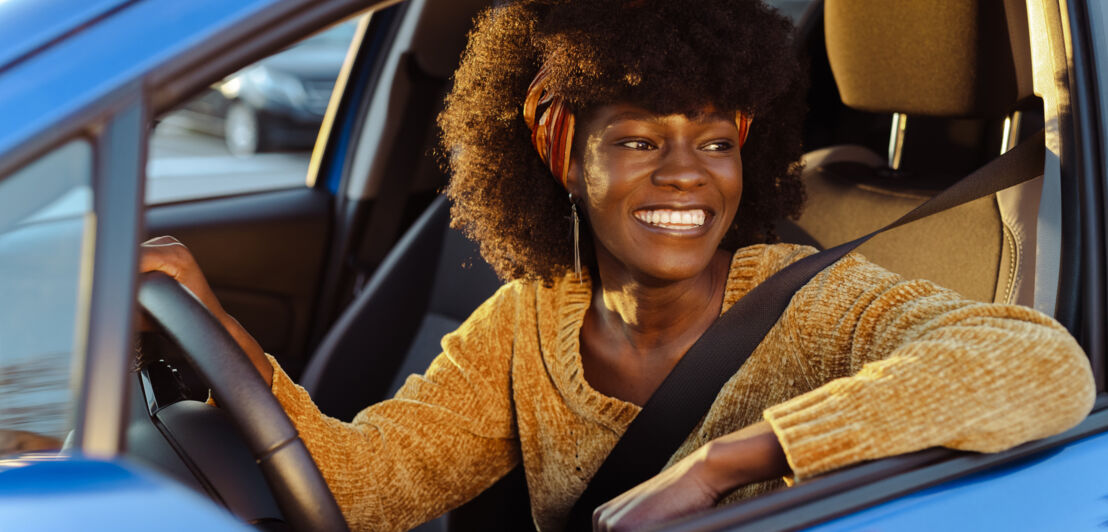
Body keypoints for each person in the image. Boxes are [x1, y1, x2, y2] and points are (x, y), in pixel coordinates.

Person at [140, 0, 1096, 530]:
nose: (685, 176)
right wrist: (210, 326)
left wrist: (730, 463)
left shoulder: (821, 307)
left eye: (715, 143)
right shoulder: (528, 324)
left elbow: (1041, 365)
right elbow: (364, 485)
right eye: (637, 142)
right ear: (561, 153)